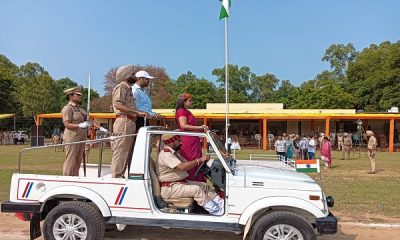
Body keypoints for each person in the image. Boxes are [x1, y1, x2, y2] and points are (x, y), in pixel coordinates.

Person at [157, 134, 224, 215]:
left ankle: (222, 205)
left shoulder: (174, 153)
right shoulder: (166, 154)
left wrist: (202, 162)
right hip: (169, 188)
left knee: (204, 185)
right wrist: (199, 160)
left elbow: (187, 164)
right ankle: (217, 212)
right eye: (178, 141)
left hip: (178, 184)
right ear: (172, 141)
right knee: (197, 190)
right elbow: (181, 167)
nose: (181, 143)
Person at [111, 64, 148, 178]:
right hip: (124, 121)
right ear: (126, 75)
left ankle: (121, 175)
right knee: (121, 151)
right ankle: (117, 176)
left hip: (129, 121)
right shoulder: (122, 86)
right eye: (132, 74)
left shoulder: (128, 88)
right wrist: (136, 112)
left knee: (127, 151)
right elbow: (118, 104)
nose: (134, 76)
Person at [61, 87, 108, 176]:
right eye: (77, 95)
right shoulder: (68, 108)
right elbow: (67, 124)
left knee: (78, 161)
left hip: (81, 137)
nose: (80, 97)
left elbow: (90, 120)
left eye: (80, 95)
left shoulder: (81, 109)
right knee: (70, 160)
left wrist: (101, 128)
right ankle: (67, 179)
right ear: (71, 96)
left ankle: (75, 177)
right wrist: (79, 125)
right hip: (72, 136)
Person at [175, 93, 208, 181]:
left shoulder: (187, 111)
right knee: (191, 160)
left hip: (193, 139)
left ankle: (198, 181)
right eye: (190, 100)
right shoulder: (181, 111)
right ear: (183, 101)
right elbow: (183, 125)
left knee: (197, 159)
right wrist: (199, 127)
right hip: (188, 140)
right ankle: (192, 181)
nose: (191, 102)